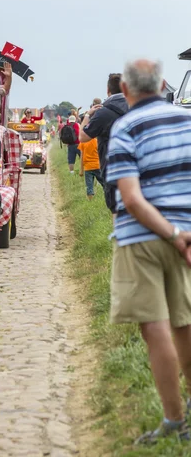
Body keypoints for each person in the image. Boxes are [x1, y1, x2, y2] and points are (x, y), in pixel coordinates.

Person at [107, 59, 191, 445]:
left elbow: (132, 199)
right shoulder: (187, 121)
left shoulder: (125, 127)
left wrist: (170, 233)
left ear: (125, 89)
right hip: (186, 236)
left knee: (154, 325)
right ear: (162, 85)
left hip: (141, 238)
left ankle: (174, 420)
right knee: (185, 322)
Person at [78, 74, 128, 211]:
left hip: (113, 168)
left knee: (117, 212)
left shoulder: (103, 113)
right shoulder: (138, 108)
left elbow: (82, 137)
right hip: (138, 169)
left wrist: (88, 115)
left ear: (108, 90)